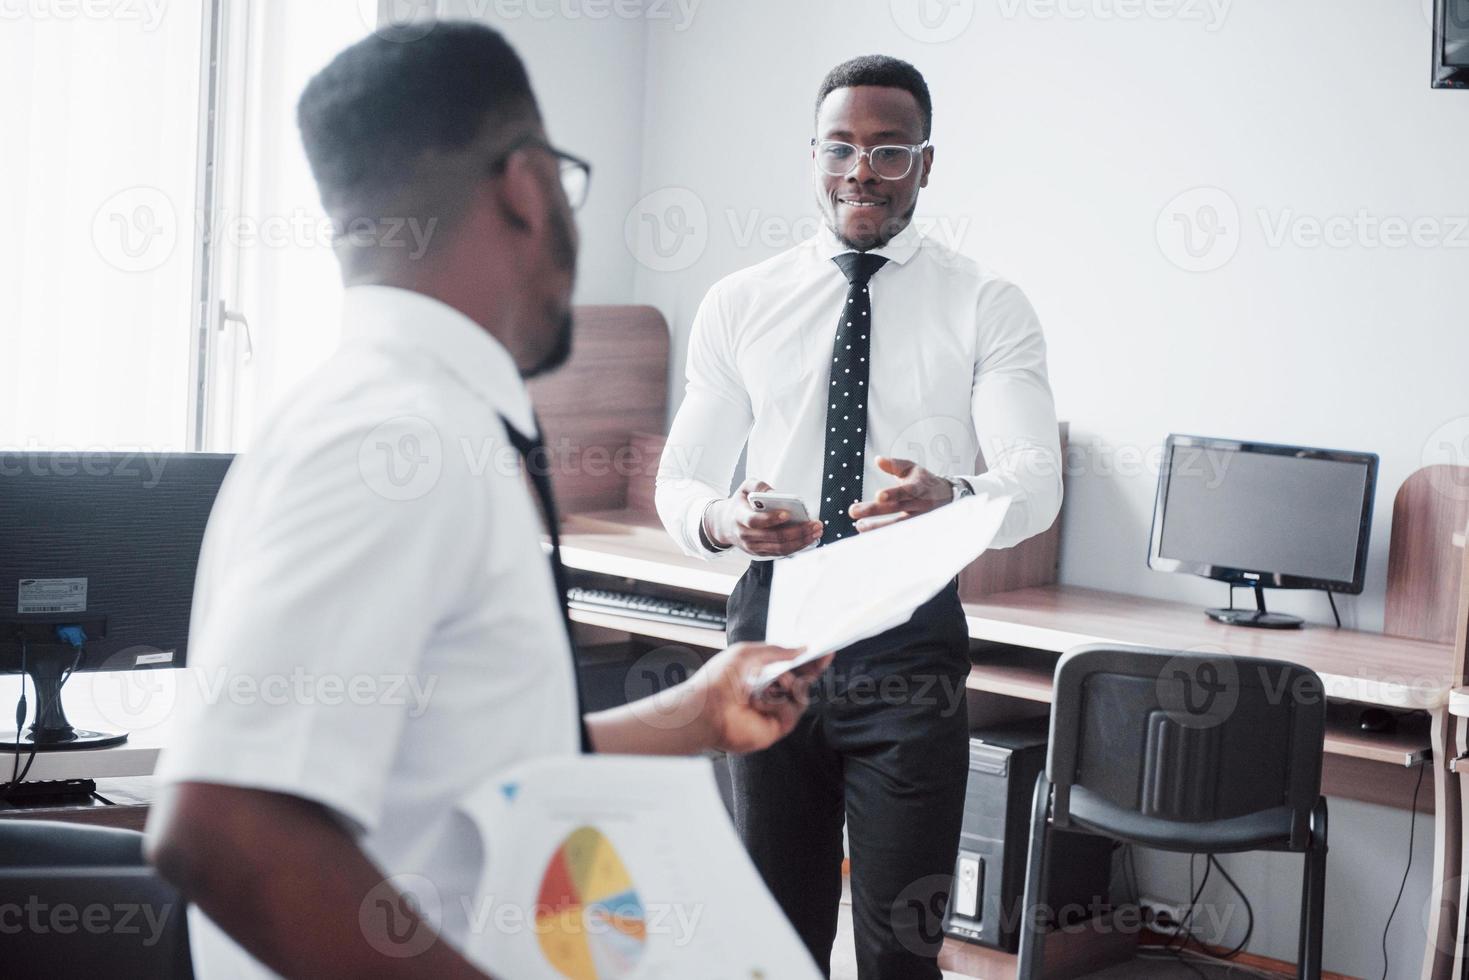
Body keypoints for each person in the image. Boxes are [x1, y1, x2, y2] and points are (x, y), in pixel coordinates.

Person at [145, 23, 829, 979]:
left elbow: (466, 762)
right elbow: (222, 826)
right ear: (529, 184)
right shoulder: (398, 440)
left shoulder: (423, 424)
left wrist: (698, 717)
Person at [655, 54, 1063, 978]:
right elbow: (677, 484)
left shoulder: (985, 304)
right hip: (770, 633)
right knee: (771, 937)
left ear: (925, 163)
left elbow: (1036, 482)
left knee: (898, 946)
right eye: (840, 148)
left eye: (888, 152)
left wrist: (952, 499)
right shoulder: (741, 302)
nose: (860, 172)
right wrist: (727, 519)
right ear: (811, 156)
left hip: (906, 637)